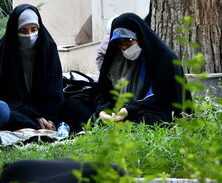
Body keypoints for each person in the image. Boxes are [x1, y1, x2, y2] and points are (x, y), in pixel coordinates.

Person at [61, 13, 190, 132]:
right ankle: (107, 125)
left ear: (140, 37)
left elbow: (163, 101)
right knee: (75, 103)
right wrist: (102, 110)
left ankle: (108, 128)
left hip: (145, 110)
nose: (123, 47)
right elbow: (103, 91)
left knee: (151, 121)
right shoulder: (115, 57)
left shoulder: (164, 59)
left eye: (128, 41)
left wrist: (129, 110)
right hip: (116, 109)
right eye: (119, 43)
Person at [0, 4, 65, 131]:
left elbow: (54, 89)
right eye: (23, 31)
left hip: (45, 109)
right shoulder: (3, 52)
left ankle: (44, 124)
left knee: (72, 108)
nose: (30, 35)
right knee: (3, 115)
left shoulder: (48, 48)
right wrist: (35, 116)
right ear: (14, 31)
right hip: (16, 109)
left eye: (33, 29)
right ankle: (36, 124)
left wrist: (49, 117)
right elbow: (2, 96)